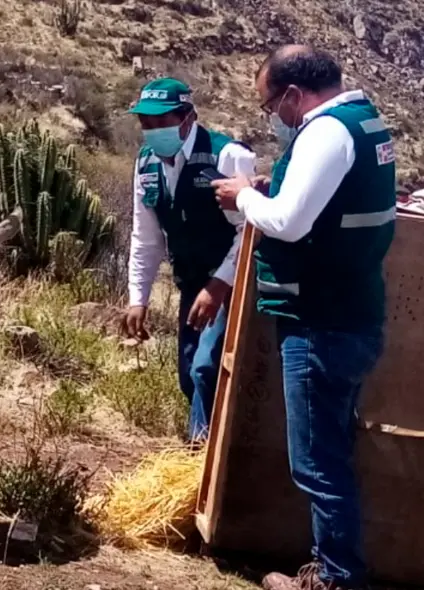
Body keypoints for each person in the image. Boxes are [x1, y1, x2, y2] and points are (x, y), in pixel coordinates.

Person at [212, 45, 395, 590]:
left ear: (294, 94)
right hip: (355, 312)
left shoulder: (324, 132)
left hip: (321, 321)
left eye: (272, 104)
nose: (274, 116)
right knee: (332, 451)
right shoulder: (366, 123)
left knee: (316, 461)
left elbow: (289, 223)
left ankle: (336, 577)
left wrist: (245, 196)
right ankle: (333, 566)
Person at [123, 77, 257, 444]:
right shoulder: (147, 164)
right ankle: (206, 452)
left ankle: (202, 459)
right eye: (145, 124)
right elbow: (146, 236)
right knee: (188, 375)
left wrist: (219, 285)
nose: (152, 131)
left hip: (232, 283)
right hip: (191, 282)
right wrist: (139, 297)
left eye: (161, 122)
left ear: (187, 118)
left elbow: (251, 231)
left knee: (206, 368)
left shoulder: (226, 156)